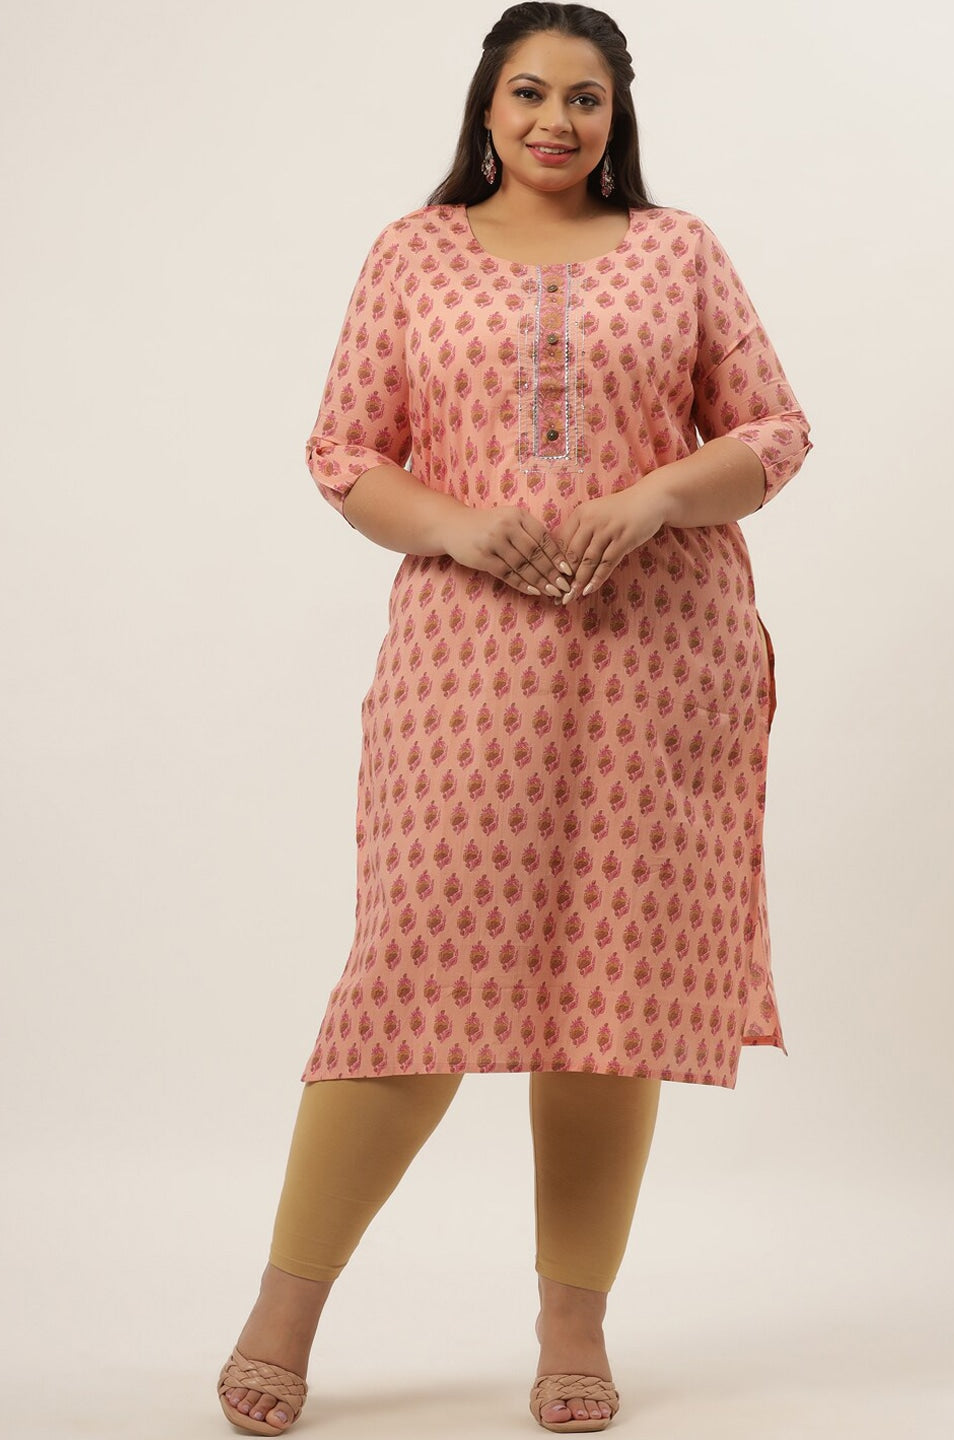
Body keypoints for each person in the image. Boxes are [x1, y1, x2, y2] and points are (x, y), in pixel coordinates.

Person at [216, 2, 813, 1434]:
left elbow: (774, 433)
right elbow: (344, 449)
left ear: (618, 115)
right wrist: (458, 525)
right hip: (467, 664)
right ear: (487, 105)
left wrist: (653, 496)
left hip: (655, 662)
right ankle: (282, 1313)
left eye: (585, 98)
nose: (557, 120)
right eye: (531, 92)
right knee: (408, 978)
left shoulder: (679, 250)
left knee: (608, 1001)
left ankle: (572, 1328)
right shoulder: (412, 252)